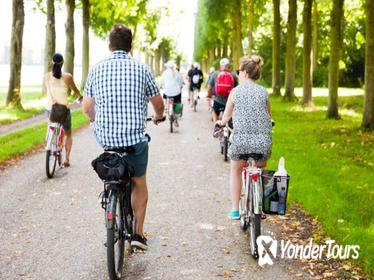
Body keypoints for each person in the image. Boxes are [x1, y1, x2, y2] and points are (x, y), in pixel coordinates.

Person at [82, 24, 165, 250]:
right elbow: (158, 103)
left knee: (113, 165)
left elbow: (87, 107)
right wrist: (159, 116)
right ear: (131, 46)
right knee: (139, 182)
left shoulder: (96, 69)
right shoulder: (142, 68)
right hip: (134, 141)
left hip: (106, 139)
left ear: (109, 45)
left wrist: (95, 120)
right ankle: (137, 234)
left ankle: (111, 193)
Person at [216, 55, 272, 220]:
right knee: (260, 168)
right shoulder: (264, 92)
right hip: (262, 144)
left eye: (239, 71)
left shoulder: (235, 92)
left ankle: (235, 209)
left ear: (246, 73)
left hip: (240, 143)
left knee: (236, 170)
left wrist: (220, 122)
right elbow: (269, 116)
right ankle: (259, 207)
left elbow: (226, 118)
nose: (238, 74)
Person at [43, 53, 82, 168]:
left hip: (50, 110)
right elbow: (75, 90)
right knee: (68, 133)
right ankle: (67, 159)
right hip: (64, 110)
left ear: (52, 62)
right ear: (63, 63)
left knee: (52, 127)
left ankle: (54, 143)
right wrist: (80, 96)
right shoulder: (68, 77)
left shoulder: (46, 76)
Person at [207, 58, 238, 123]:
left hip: (217, 101)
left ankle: (216, 128)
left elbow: (209, 87)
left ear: (220, 65)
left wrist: (208, 95)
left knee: (215, 114)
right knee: (229, 121)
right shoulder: (233, 75)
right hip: (229, 103)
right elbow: (236, 90)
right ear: (228, 65)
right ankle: (228, 130)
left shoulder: (215, 74)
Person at [160, 60, 184, 126]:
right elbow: (181, 81)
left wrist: (161, 86)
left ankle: (166, 108)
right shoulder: (177, 72)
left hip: (167, 92)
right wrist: (181, 86)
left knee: (165, 97)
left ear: (167, 66)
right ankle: (177, 116)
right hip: (176, 92)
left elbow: (161, 82)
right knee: (178, 102)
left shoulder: (165, 73)